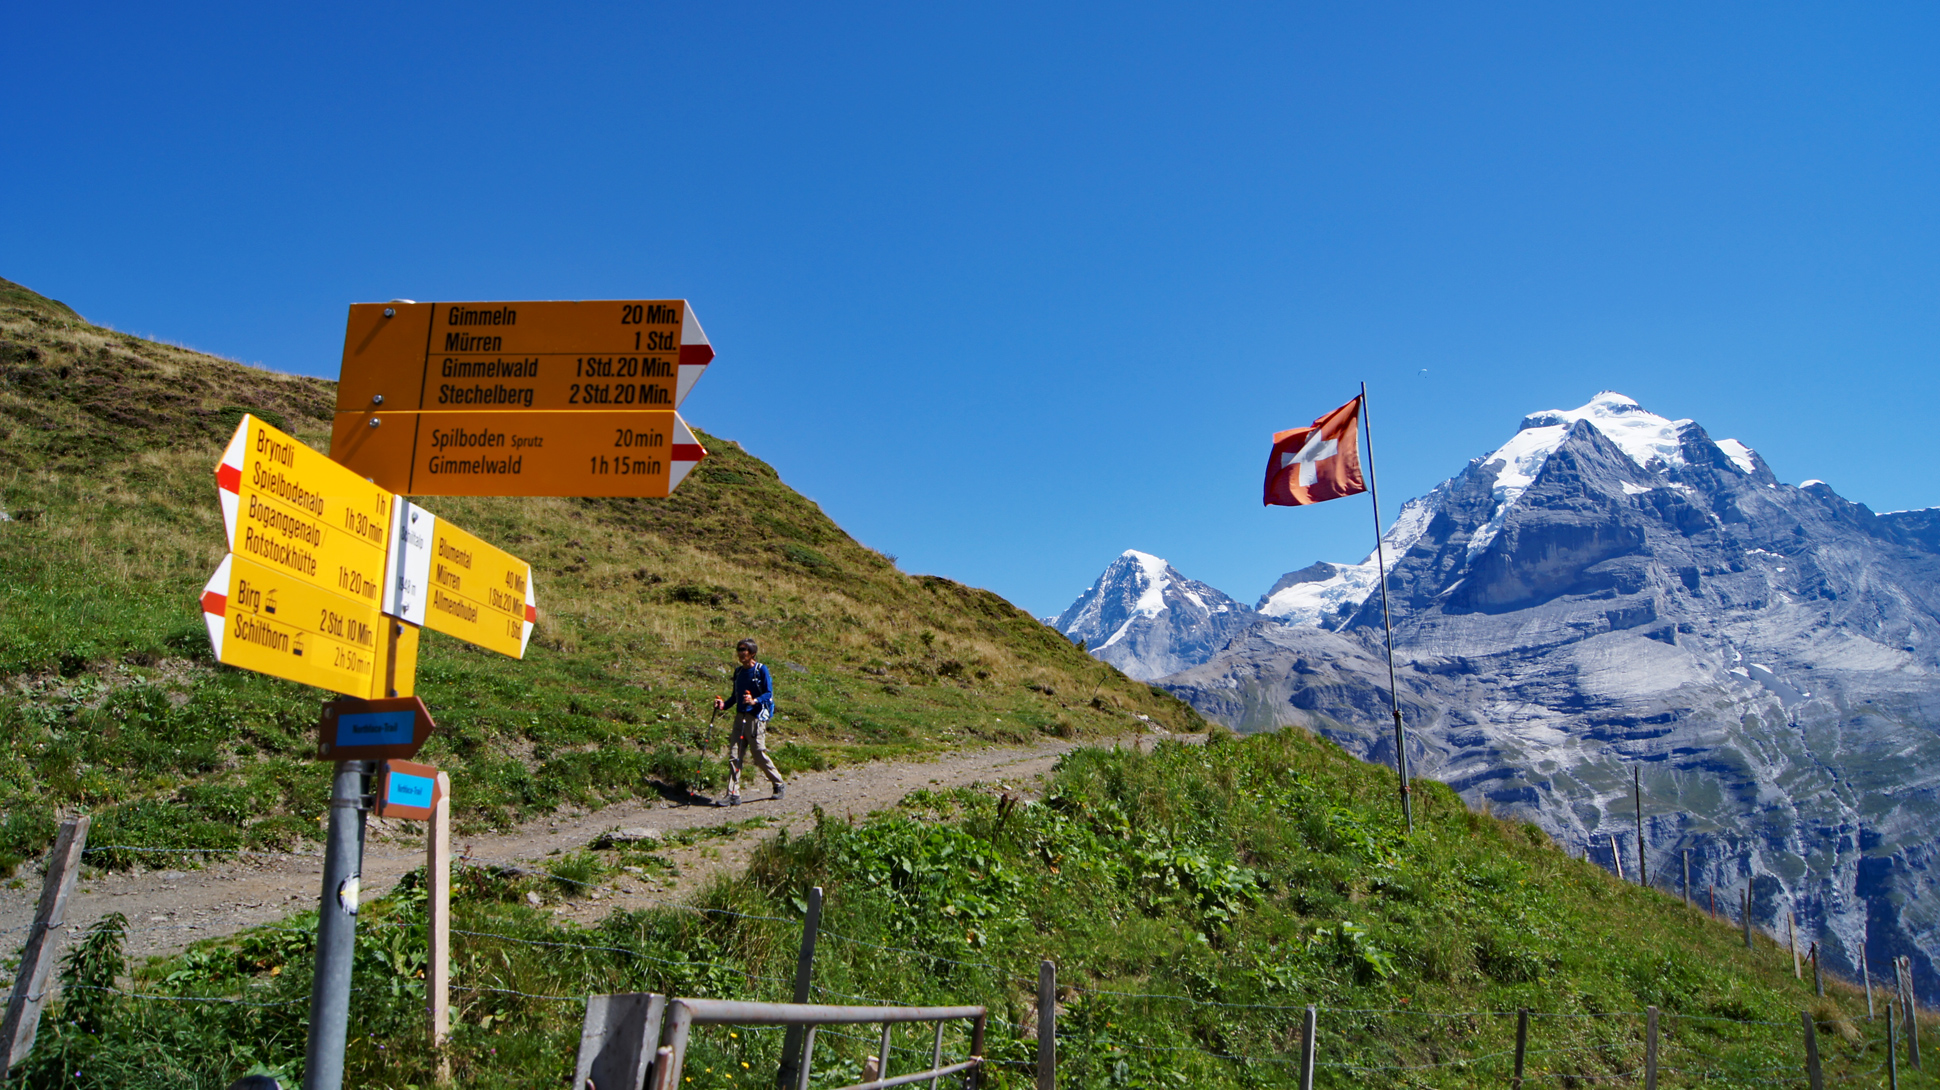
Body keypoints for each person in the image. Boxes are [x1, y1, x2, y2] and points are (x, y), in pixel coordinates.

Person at [715, 637, 785, 806]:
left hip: (755, 718)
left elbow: (769, 693)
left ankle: (778, 783)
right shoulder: (738, 672)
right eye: (738, 649)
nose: (740, 653)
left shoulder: (761, 670)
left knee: (758, 753)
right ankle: (733, 794)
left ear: (752, 653)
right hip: (740, 717)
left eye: (743, 650)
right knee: (734, 756)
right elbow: (735, 697)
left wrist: (754, 700)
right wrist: (723, 705)